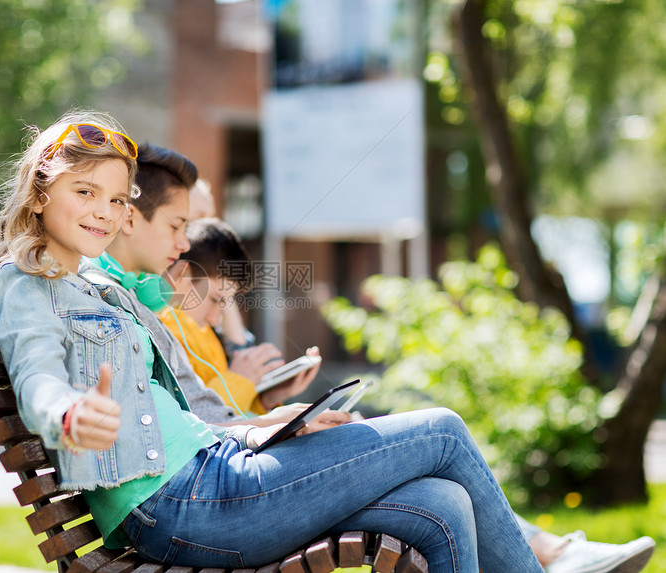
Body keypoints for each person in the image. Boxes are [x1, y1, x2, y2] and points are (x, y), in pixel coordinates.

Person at [0, 109, 546, 572]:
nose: (105, 212)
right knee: (441, 429)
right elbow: (36, 374)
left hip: (213, 473)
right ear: (40, 193)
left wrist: (266, 426)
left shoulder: (97, 286)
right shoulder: (27, 282)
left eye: (117, 199)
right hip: (187, 503)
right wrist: (68, 414)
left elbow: (181, 413)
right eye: (85, 192)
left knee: (442, 507)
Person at [180, 195, 656, 573]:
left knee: (444, 497)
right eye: (184, 221)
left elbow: (221, 416)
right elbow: (210, 420)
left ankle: (547, 550)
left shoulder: (195, 327)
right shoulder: (168, 320)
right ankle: (548, 554)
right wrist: (254, 396)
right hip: (235, 487)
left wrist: (273, 401)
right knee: (442, 431)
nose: (191, 234)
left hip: (245, 467)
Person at [80, 143, 327, 429]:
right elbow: (192, 419)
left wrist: (269, 404)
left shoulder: (144, 307)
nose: (187, 243)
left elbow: (200, 413)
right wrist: (263, 421)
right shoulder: (117, 306)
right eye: (179, 225)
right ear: (131, 218)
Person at [160, 217, 317, 415]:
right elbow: (196, 419)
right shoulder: (164, 332)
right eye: (215, 300)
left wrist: (266, 399)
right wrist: (240, 378)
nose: (215, 319)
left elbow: (233, 415)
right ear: (182, 275)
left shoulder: (204, 334)